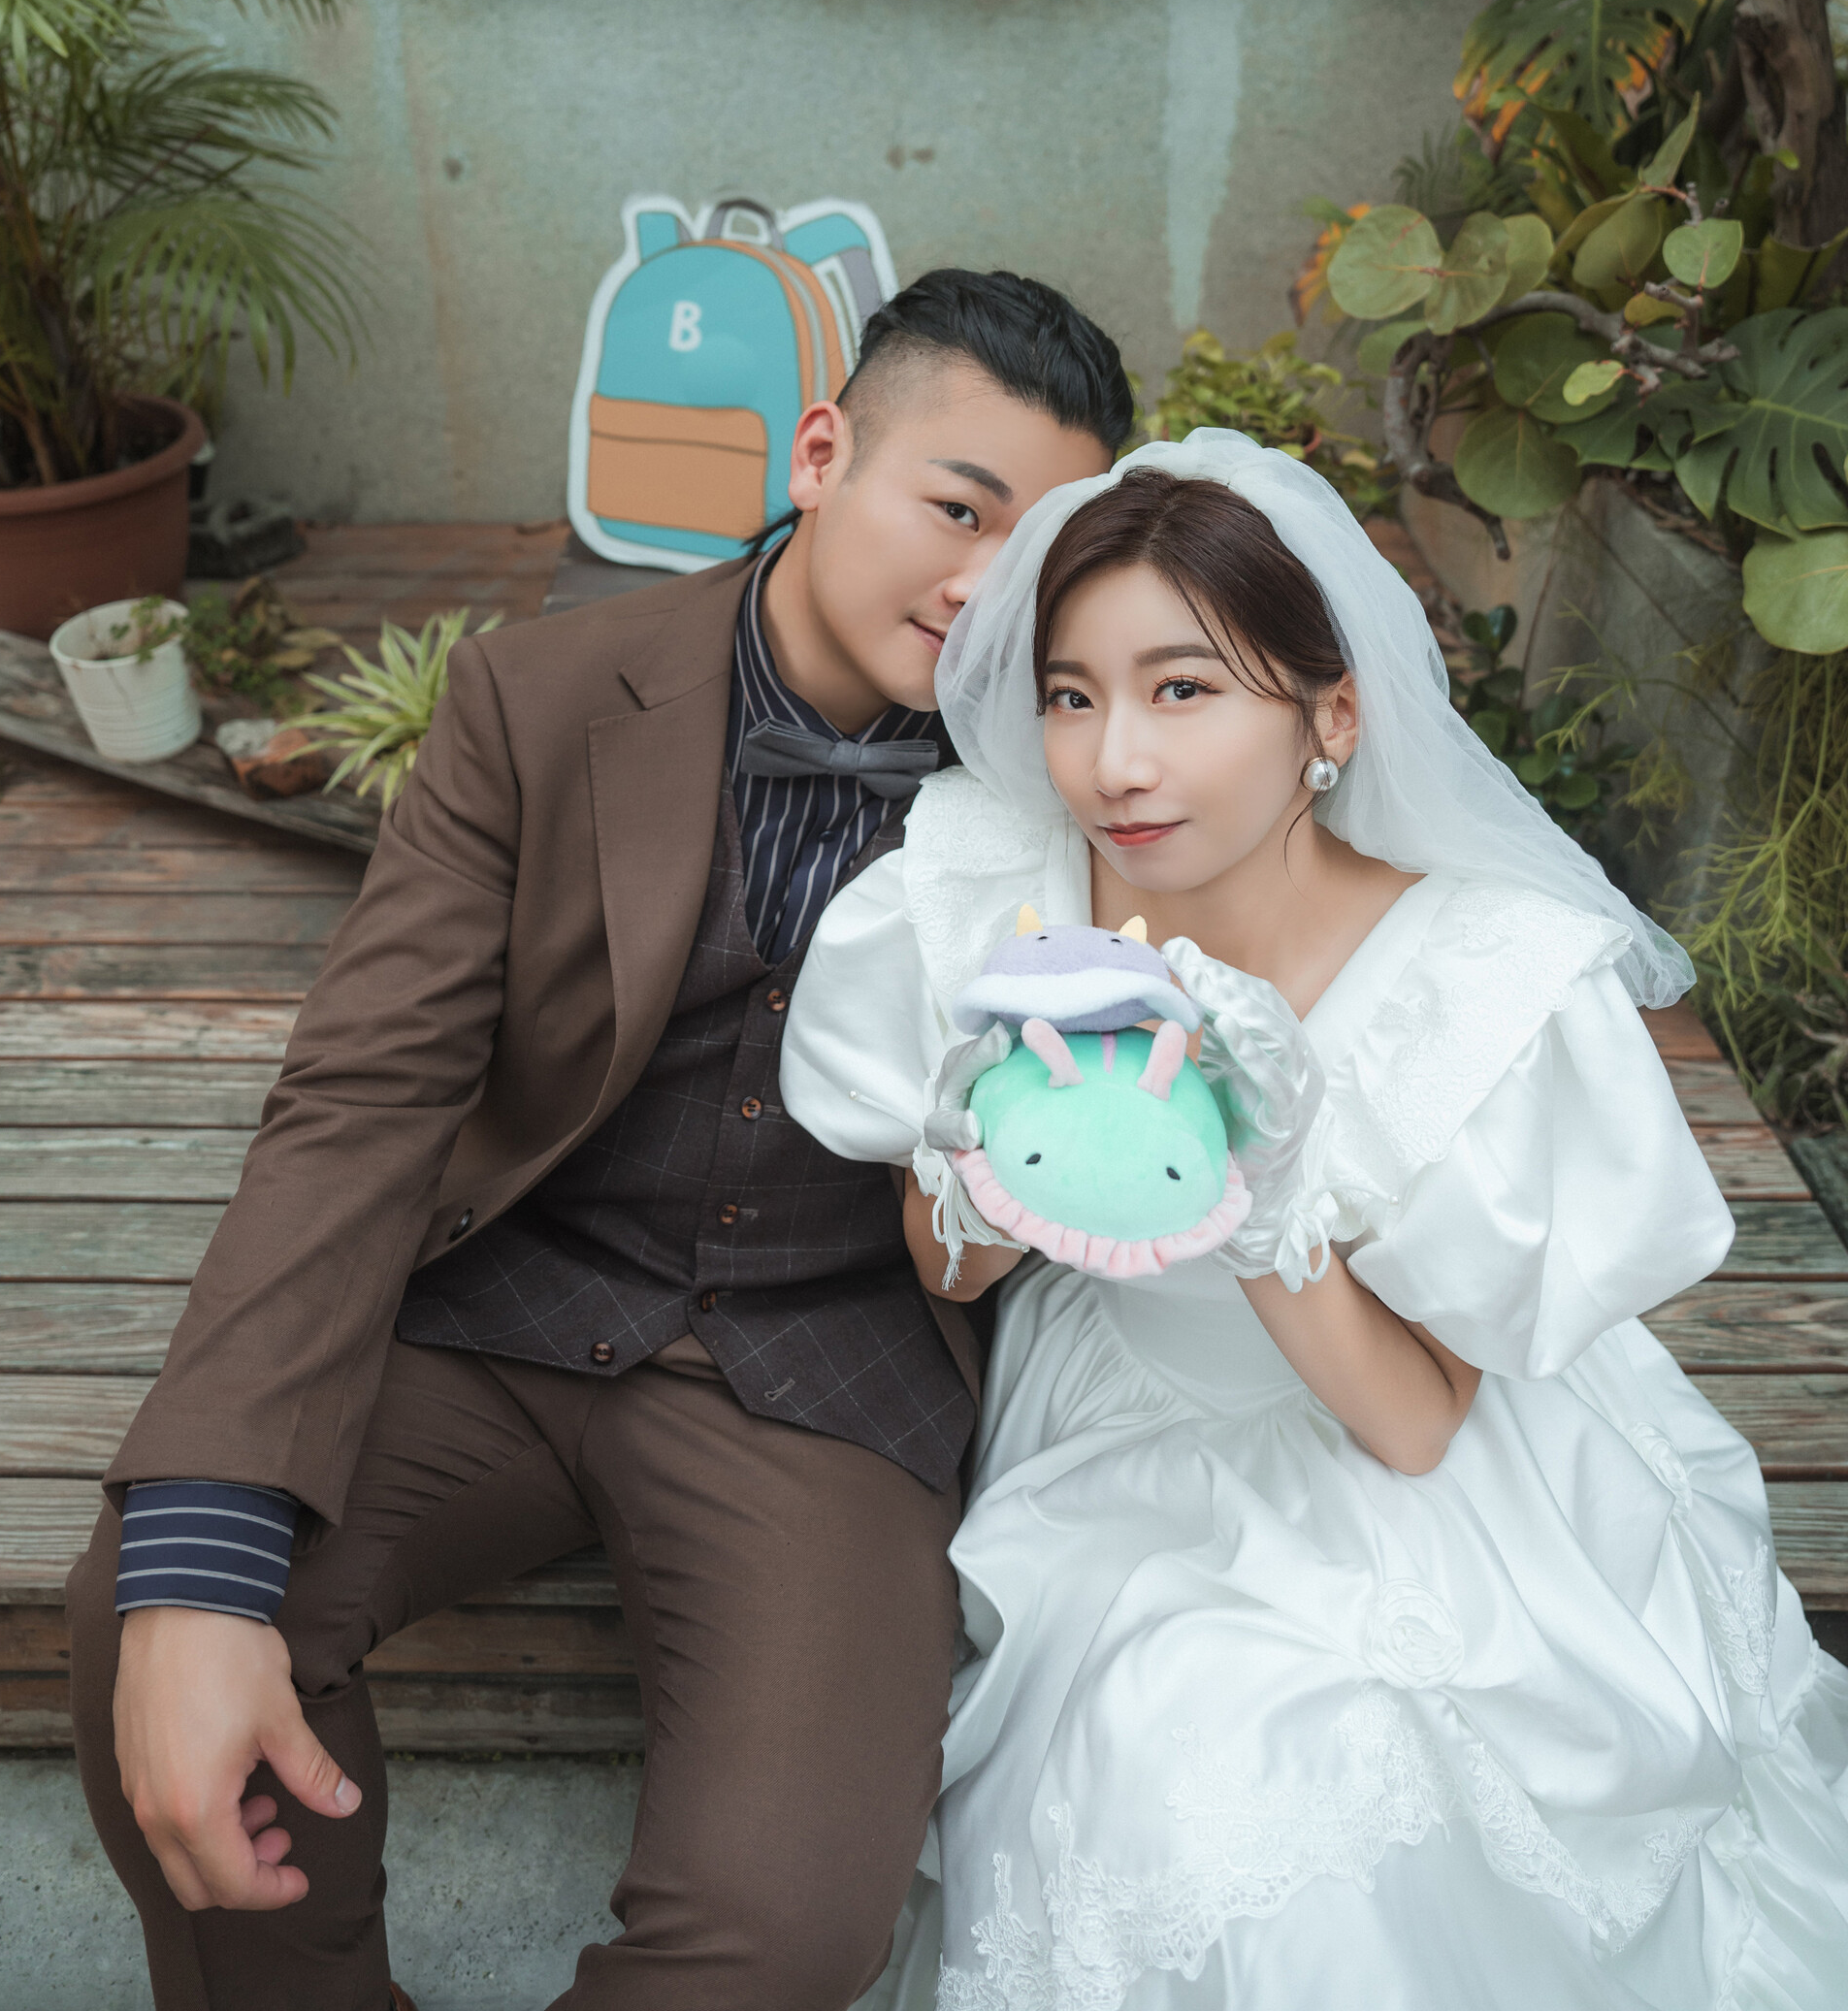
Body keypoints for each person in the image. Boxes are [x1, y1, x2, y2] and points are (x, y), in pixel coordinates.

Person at [66, 267, 1135, 2011]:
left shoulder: (1071, 768)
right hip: (504, 1305)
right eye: (959, 509)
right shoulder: (534, 697)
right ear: (820, 454)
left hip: (827, 1361)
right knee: (150, 1615)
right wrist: (203, 1550)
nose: (981, 587)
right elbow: (361, 1100)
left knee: (784, 1930)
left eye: (1037, 554)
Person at [782, 431, 1848, 2010]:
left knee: (1361, 1793)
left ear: (1331, 716)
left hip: (1416, 1459)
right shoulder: (999, 891)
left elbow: (1414, 1428)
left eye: (1183, 690)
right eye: (1071, 696)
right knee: (1171, 1769)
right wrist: (987, 1138)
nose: (1114, 763)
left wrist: (1259, 1199)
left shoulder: (1476, 981)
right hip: (1121, 1430)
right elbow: (950, 1266)